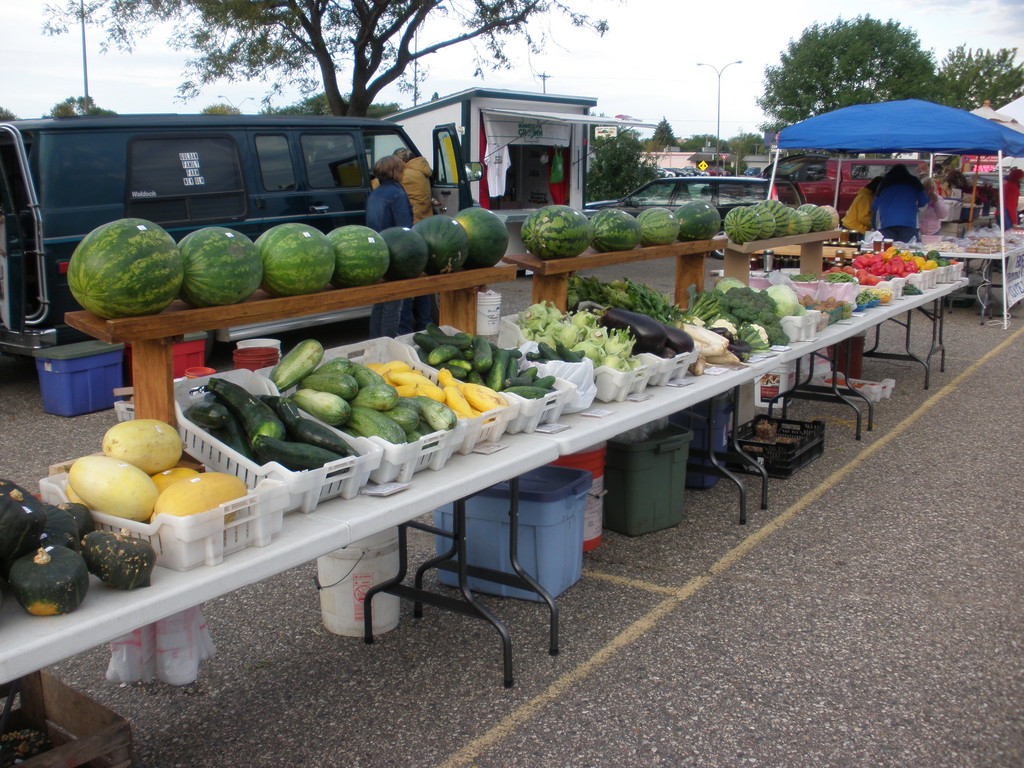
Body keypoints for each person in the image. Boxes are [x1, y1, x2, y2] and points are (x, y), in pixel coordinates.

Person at [366, 155, 413, 338]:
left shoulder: (374, 193)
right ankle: (389, 342)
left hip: (377, 251)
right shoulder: (397, 193)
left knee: (380, 301)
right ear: (395, 171)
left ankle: (375, 340)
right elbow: (404, 227)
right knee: (394, 303)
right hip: (395, 252)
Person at [393, 147, 436, 334]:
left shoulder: (407, 175)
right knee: (422, 280)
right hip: (425, 229)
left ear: (402, 162)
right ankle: (424, 323)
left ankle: (404, 329)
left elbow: (377, 183)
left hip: (412, 230)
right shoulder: (422, 172)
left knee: (407, 282)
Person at [871, 164, 929, 243]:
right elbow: (924, 202)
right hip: (908, 224)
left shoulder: (883, 183)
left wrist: (875, 227)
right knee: (908, 249)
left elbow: (875, 206)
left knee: (887, 250)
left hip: (886, 224)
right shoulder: (914, 181)